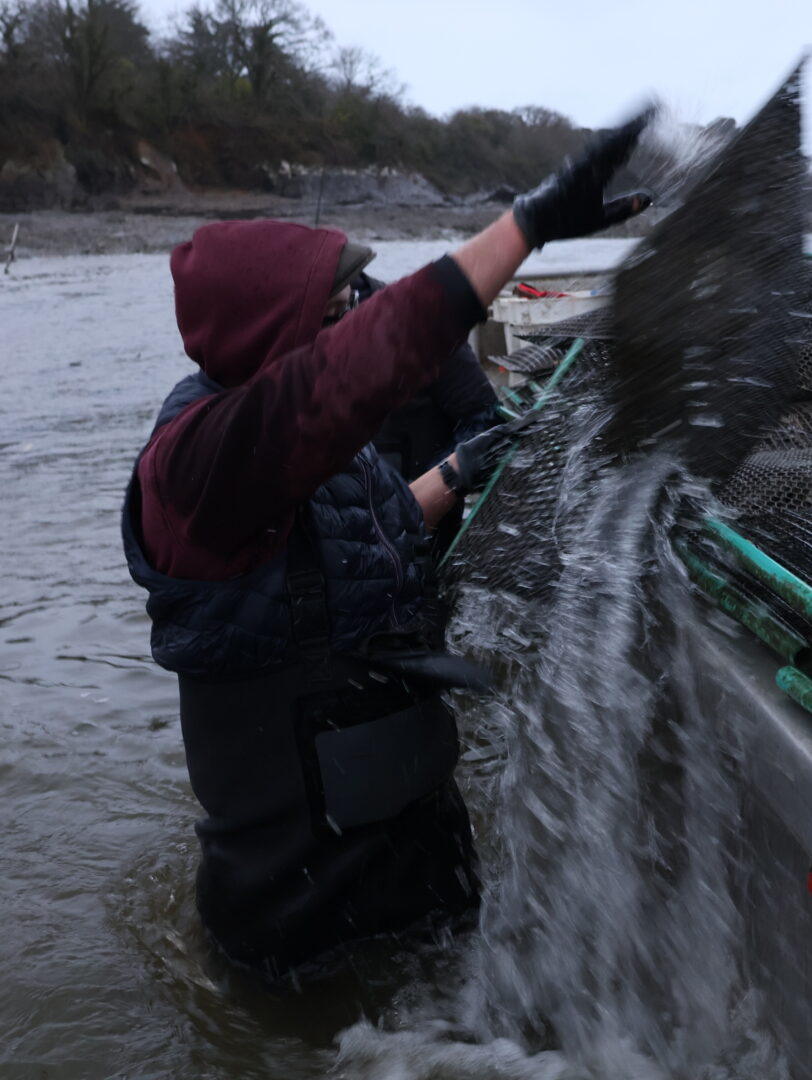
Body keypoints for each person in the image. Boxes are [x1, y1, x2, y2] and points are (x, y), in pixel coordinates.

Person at [122, 111, 655, 980]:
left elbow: (348, 545)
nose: (352, 323)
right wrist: (526, 227)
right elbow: (357, 369)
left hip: (407, 858)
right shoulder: (202, 461)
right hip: (303, 914)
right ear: (267, 337)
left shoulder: (290, 456)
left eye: (352, 309)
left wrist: (453, 472)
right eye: (332, 314)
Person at [353, 267, 499, 555]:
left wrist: (440, 481)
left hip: (421, 534)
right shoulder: (287, 325)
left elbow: (486, 417)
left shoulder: (417, 320)